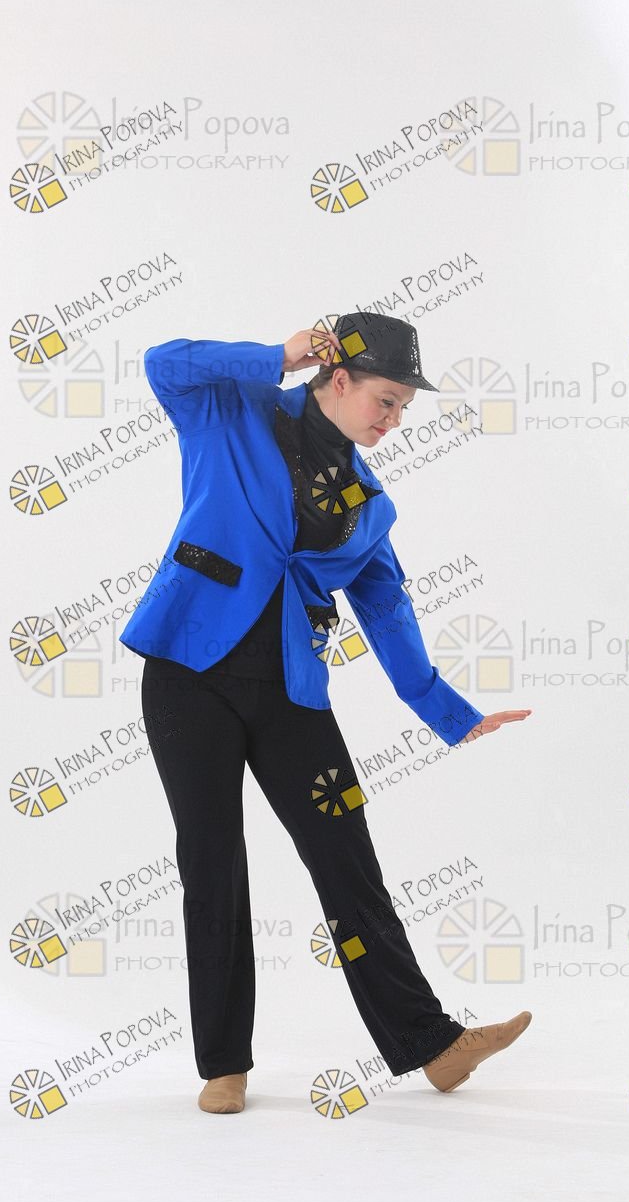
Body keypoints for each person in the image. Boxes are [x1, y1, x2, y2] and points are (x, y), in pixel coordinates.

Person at [120, 311, 533, 1113]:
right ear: (338, 378)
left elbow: (387, 609)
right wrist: (277, 354)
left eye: (403, 406)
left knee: (347, 861)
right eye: (387, 399)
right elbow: (164, 362)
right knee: (212, 861)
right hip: (187, 672)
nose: (395, 419)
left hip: (292, 692)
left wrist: (448, 711)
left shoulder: (368, 504)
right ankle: (224, 1066)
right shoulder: (232, 409)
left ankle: (432, 1045)